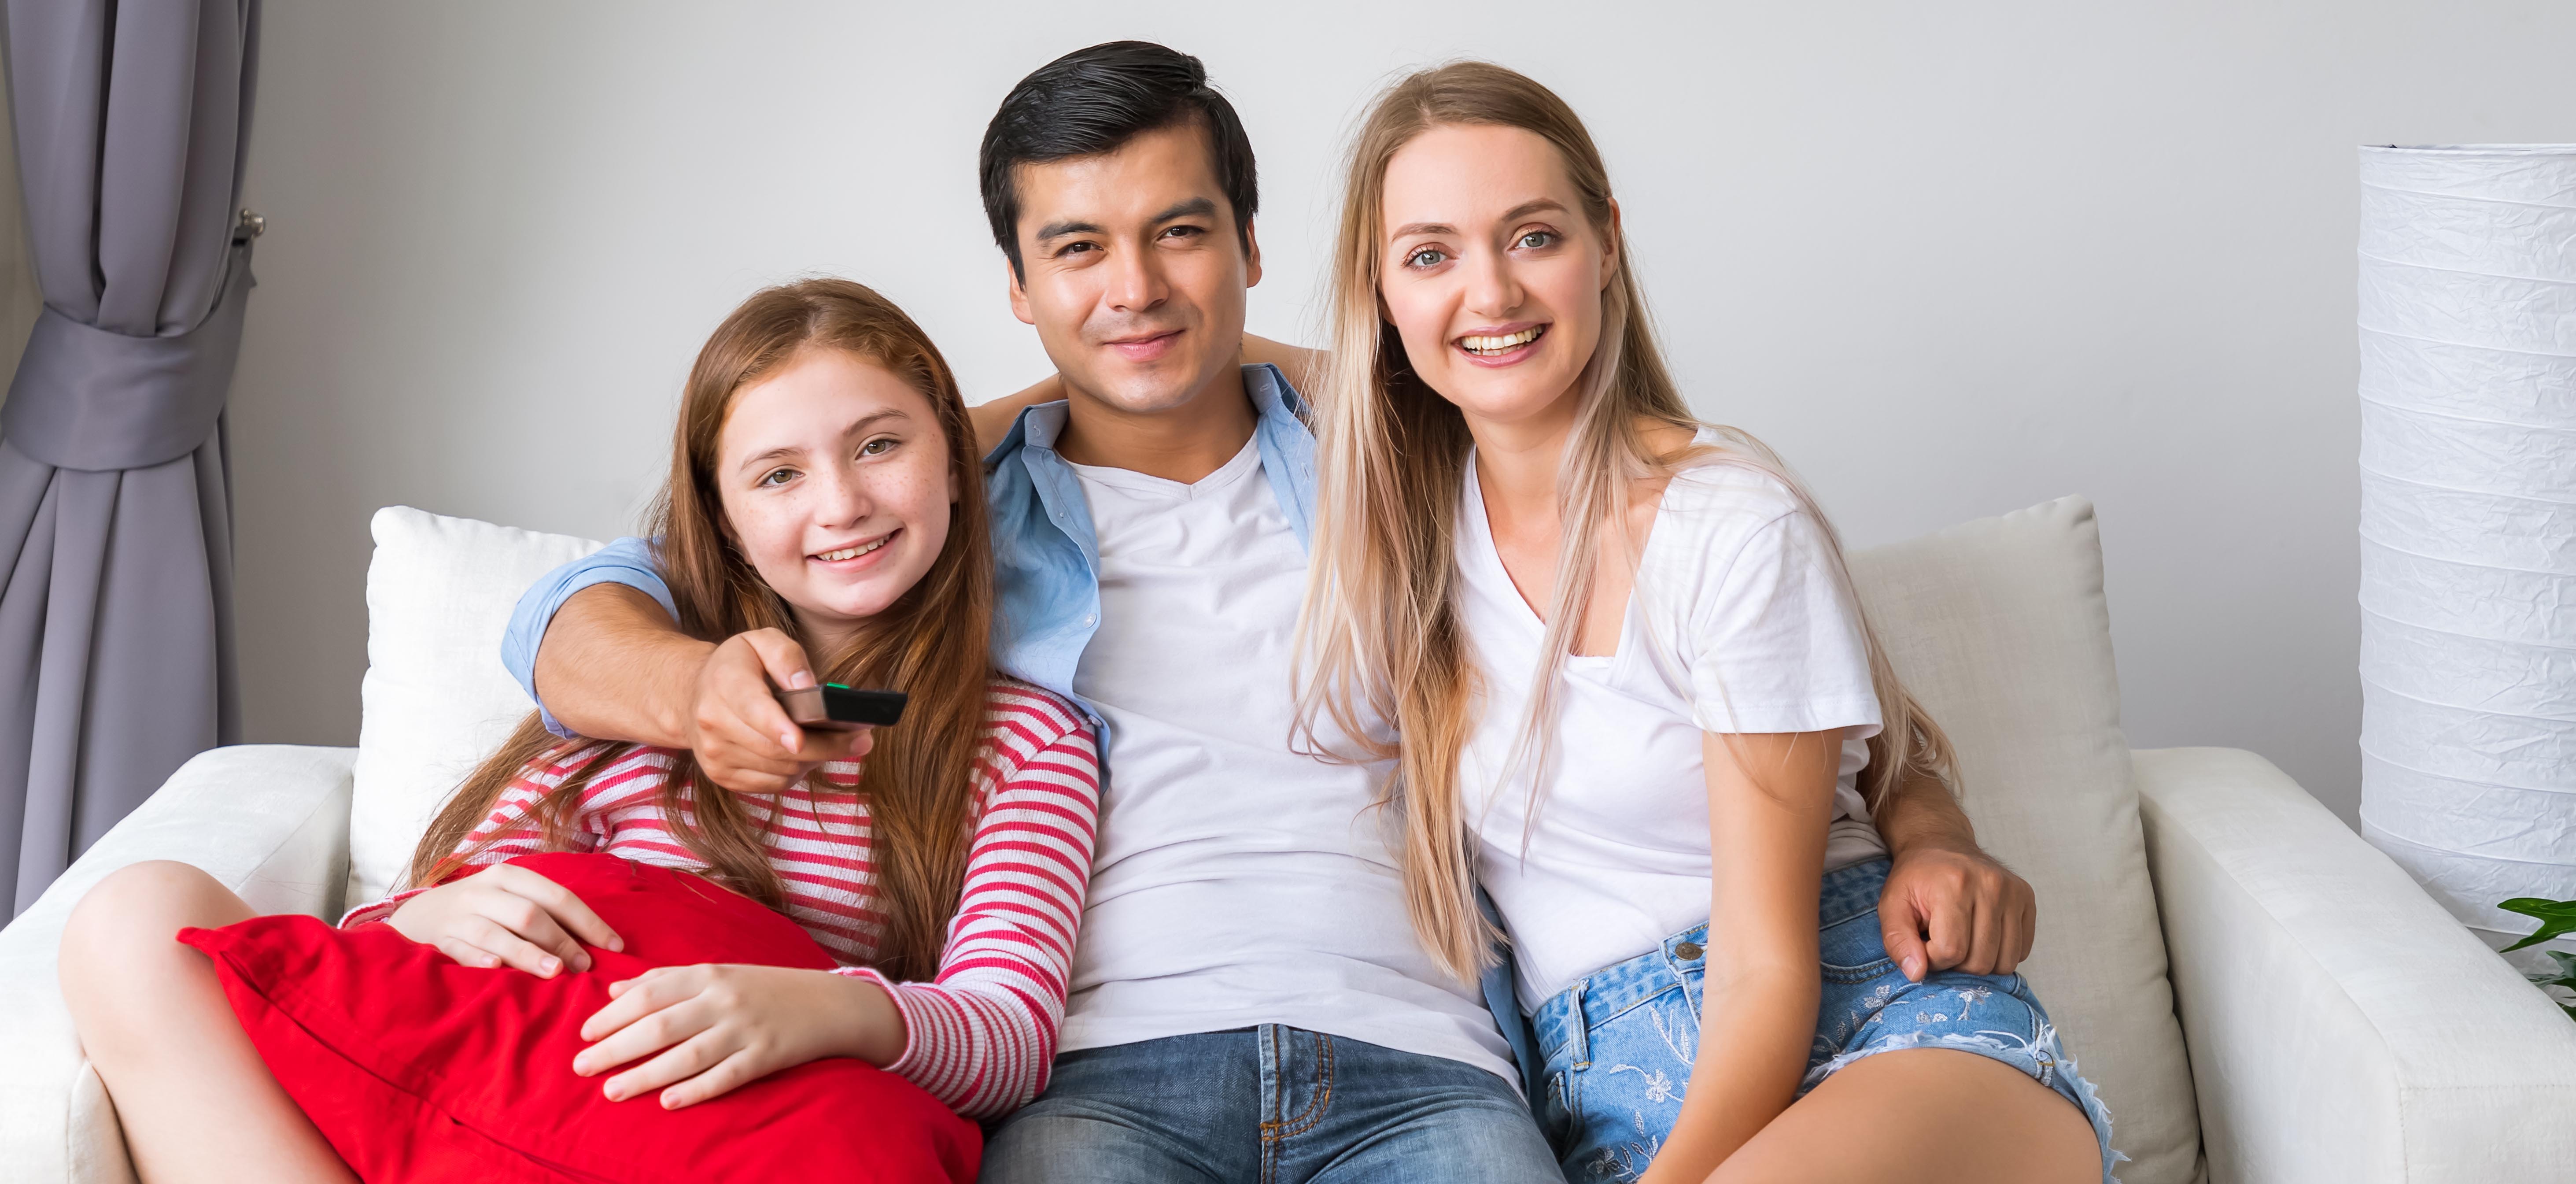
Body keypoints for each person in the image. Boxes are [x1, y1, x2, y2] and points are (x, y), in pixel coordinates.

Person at [507, 42, 2045, 1184]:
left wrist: (1923, 809)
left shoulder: (1408, 451)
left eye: (1180, 230)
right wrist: (695, 678)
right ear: (1021, 287)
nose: (1137, 288)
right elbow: (577, 616)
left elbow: (1790, 653)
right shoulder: (934, 501)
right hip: (1097, 1072)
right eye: (1078, 250)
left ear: (1249, 246)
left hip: (1428, 1061)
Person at [55, 278, 1101, 1182]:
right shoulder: (637, 676)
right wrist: (405, 924)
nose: (841, 503)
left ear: (958, 464)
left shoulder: (1025, 743)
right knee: (135, 916)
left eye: (880, 446)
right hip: (499, 1073)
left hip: (729, 1127)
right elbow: (459, 909)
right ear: (724, 518)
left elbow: (1007, 1035)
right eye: (779, 474)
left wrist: (827, 1011)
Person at [1295, 62, 2118, 1184]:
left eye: (1533, 237)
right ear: (1380, 296)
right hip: (1600, 1099)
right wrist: (973, 414)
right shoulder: (1412, 539)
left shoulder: (1727, 521)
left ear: (1607, 243)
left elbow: (1764, 972)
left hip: (1866, 1035)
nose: (1488, 295)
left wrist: (1935, 835)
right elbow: (1164, 364)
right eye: (1430, 255)